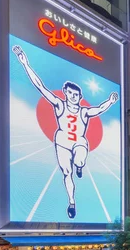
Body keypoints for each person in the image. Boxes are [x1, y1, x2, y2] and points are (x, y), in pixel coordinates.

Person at [13, 45, 119, 219]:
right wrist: (24, 63)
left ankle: (80, 165)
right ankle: (71, 202)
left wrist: (110, 101)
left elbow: (99, 109)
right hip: (62, 140)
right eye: (70, 93)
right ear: (65, 93)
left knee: (79, 158)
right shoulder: (59, 104)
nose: (73, 97)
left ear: (79, 96)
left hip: (79, 141)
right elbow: (40, 87)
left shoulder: (84, 111)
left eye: (76, 94)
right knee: (66, 173)